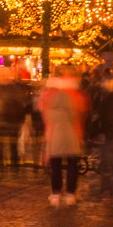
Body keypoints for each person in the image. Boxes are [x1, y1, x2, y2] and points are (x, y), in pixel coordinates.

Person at [38, 66, 90, 206]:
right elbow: (82, 116)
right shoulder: (77, 96)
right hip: (73, 134)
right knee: (73, 165)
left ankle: (55, 194)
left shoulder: (47, 97)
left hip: (54, 134)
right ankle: (70, 194)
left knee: (55, 165)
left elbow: (44, 118)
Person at [0, 68, 30, 172]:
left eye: (3, 75)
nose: (1, 77)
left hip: (11, 120)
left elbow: (19, 105)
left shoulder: (14, 89)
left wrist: (21, 119)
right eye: (0, 75)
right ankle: (0, 164)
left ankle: (14, 164)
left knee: (13, 145)